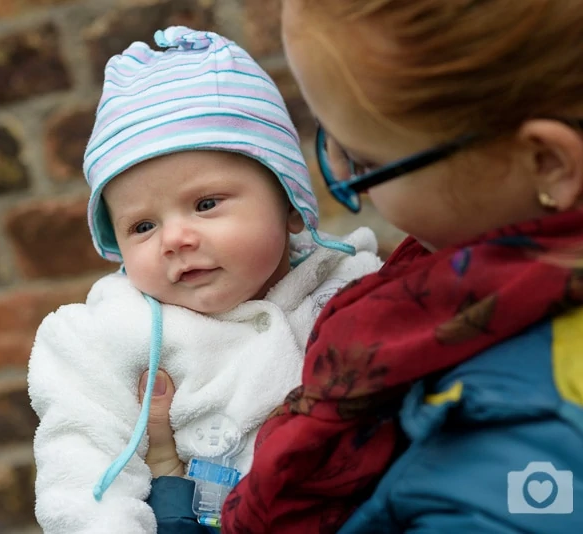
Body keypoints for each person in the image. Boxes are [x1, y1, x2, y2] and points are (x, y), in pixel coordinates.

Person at [143, 1, 583, 532]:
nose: (362, 192)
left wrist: (172, 498)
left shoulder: (515, 441)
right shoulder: (452, 310)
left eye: (369, 163)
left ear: (546, 163)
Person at [27, 26, 382, 533]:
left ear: (290, 203)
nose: (174, 238)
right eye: (142, 226)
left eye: (206, 204)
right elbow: (82, 472)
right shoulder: (105, 338)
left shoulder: (352, 287)